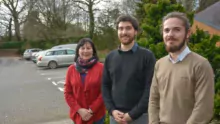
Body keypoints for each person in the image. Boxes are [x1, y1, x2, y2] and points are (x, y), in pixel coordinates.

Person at [148, 12, 215, 124]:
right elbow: (154, 100)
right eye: (166, 30)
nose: (170, 34)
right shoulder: (159, 64)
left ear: (187, 33)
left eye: (177, 30)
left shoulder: (201, 64)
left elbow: (204, 108)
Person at [102, 15, 156, 124]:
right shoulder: (110, 57)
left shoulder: (147, 56)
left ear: (135, 31)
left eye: (128, 28)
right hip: (116, 117)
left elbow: (150, 89)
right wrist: (112, 110)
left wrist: (132, 115)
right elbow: (105, 85)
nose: (124, 32)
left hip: (140, 117)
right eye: (120, 28)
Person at [64, 38, 106, 124]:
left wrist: (92, 110)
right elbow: (67, 93)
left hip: (97, 116)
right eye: (82, 48)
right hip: (77, 115)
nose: (85, 51)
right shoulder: (71, 69)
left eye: (88, 48)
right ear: (78, 51)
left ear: (93, 50)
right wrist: (79, 110)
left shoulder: (101, 68)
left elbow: (105, 91)